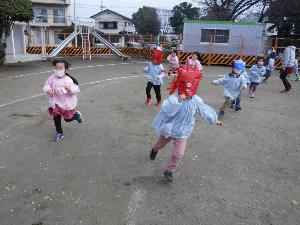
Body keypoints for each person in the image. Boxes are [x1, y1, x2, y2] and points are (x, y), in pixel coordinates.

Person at [150, 60, 221, 182]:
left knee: (178, 154)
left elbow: (204, 110)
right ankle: (154, 149)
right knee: (160, 145)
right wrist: (179, 101)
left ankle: (169, 171)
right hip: (169, 130)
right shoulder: (174, 98)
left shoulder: (196, 100)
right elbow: (166, 110)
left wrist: (214, 120)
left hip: (183, 132)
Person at [43, 60, 83, 141]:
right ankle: (59, 132)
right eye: (56, 68)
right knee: (56, 118)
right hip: (56, 103)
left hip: (66, 104)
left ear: (66, 70)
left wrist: (70, 89)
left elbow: (76, 89)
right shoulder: (52, 78)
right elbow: (46, 85)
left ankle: (76, 115)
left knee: (67, 119)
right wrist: (48, 90)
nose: (58, 70)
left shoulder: (68, 80)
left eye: (60, 68)